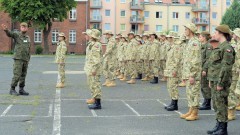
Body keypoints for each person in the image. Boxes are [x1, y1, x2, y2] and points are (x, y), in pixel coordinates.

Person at [207, 25, 235, 135]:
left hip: (221, 81)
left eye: (216, 32)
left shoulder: (227, 48)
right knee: (216, 104)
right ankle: (218, 124)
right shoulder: (219, 46)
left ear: (221, 33)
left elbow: (226, 67)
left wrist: (221, 82)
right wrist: (210, 80)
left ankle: (223, 129)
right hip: (214, 79)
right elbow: (213, 65)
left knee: (222, 104)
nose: (214, 34)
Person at [1, 22, 30, 96]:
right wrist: (6, 30)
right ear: (20, 28)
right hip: (18, 58)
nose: (24, 28)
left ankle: (21, 89)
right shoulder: (17, 34)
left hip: (25, 59)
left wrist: (28, 59)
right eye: (22, 27)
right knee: (17, 74)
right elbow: (10, 34)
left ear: (27, 28)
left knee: (23, 75)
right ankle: (12, 89)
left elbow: (28, 49)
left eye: (25, 27)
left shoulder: (27, 38)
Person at [180, 23, 201, 121]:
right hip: (188, 72)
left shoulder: (195, 42)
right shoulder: (190, 42)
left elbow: (195, 60)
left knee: (194, 93)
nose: (184, 31)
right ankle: (190, 110)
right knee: (189, 92)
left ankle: (195, 113)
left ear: (190, 30)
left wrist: (192, 75)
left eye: (186, 29)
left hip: (194, 73)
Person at [83, 29, 103, 109]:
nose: (85, 36)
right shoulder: (91, 44)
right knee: (92, 84)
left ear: (91, 36)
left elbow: (96, 59)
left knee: (95, 85)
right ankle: (94, 98)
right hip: (90, 68)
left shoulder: (96, 45)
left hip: (94, 69)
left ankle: (98, 103)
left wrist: (94, 69)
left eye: (87, 35)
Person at [164, 31, 181, 111]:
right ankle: (172, 102)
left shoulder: (177, 47)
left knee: (173, 87)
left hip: (173, 70)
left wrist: (175, 70)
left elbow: (177, 60)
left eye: (169, 37)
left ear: (173, 38)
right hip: (169, 69)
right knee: (170, 87)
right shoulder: (171, 46)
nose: (168, 39)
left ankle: (175, 104)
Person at [227, 28, 240, 121]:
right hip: (234, 71)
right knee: (232, 91)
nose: (233, 35)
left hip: (237, 71)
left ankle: (231, 111)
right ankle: (231, 111)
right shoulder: (235, 44)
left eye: (234, 34)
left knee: (233, 91)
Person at [199, 31, 212, 110]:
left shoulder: (208, 46)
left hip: (205, 69)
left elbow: (208, 59)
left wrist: (205, 69)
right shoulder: (202, 45)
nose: (199, 38)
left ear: (204, 37)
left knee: (206, 86)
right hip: (201, 68)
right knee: (203, 85)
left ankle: (207, 103)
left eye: (200, 36)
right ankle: (205, 100)